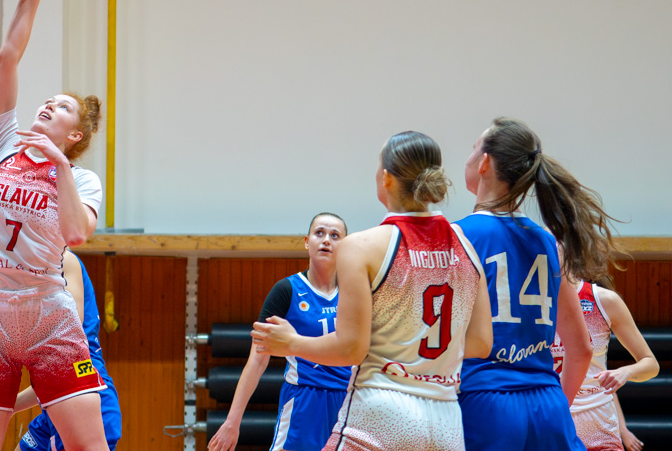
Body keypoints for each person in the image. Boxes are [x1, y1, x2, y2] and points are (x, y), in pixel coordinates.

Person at [0, 0, 109, 451]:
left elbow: (77, 235)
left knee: (89, 447)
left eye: (62, 107)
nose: (48, 105)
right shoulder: (2, 144)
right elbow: (6, 59)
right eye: (48, 100)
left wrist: (58, 165)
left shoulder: (81, 178)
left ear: (75, 134)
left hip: (47, 312)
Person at [253, 131, 493, 451]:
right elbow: (481, 343)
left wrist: (292, 343)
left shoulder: (362, 246)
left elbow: (351, 348)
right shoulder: (467, 246)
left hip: (381, 410)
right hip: (446, 420)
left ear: (386, 177)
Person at [454, 116, 621, 451]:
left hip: (484, 401)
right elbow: (581, 349)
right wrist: (557, 408)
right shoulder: (547, 241)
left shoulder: (459, 235)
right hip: (547, 404)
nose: (468, 158)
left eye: (473, 149)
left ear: (484, 162)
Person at [208, 213, 351, 451]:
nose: (326, 240)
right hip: (304, 399)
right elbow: (257, 361)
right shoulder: (286, 290)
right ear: (307, 242)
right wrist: (232, 422)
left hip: (349, 401)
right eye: (319, 233)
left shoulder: (356, 291)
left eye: (335, 236)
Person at [15, 252, 122, 451]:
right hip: (55, 395)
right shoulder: (21, 270)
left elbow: (73, 322)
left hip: (85, 390)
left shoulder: (61, 259)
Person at [550, 279, 658, 451]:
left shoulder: (603, 299)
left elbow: (651, 364)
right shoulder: (529, 301)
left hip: (598, 419)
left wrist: (626, 371)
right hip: (551, 415)